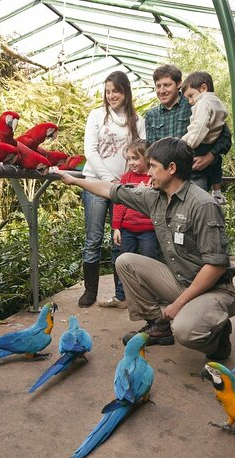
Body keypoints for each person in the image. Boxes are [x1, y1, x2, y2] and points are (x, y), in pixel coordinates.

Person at [55, 137, 235, 360]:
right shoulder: (155, 198)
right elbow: (110, 189)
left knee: (186, 331)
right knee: (125, 261)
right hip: (181, 282)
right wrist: (74, 181)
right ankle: (158, 326)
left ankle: (217, 338)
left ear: (171, 168)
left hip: (214, 289)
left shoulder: (202, 205)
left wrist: (176, 306)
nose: (148, 172)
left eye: (152, 166)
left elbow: (215, 267)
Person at [78, 70, 146, 308]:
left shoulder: (138, 121)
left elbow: (141, 154)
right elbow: (91, 151)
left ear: (125, 92)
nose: (111, 96)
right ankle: (90, 291)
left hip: (124, 188)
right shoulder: (96, 115)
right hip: (97, 183)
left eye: (116, 91)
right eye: (107, 91)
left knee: (121, 239)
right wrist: (110, 180)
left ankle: (122, 292)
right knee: (93, 237)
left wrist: (124, 182)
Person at [144, 64, 232, 192]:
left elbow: (225, 136)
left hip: (195, 176)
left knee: (196, 211)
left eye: (167, 85)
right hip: (165, 181)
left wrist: (210, 156)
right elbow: (151, 151)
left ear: (179, 83)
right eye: (158, 86)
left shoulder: (196, 104)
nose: (162, 90)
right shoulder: (151, 116)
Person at [99, 139, 158, 309]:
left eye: (135, 158)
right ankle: (121, 297)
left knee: (149, 262)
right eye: (129, 159)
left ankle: (150, 297)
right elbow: (119, 203)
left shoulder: (153, 178)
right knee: (122, 262)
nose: (131, 162)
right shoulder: (126, 179)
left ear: (147, 158)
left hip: (148, 230)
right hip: (128, 230)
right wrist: (116, 227)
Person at [180, 71, 229, 205]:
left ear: (203, 88)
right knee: (217, 165)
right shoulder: (217, 103)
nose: (190, 101)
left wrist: (185, 145)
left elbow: (198, 128)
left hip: (199, 146)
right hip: (210, 144)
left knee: (197, 203)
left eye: (191, 96)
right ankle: (217, 194)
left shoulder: (202, 104)